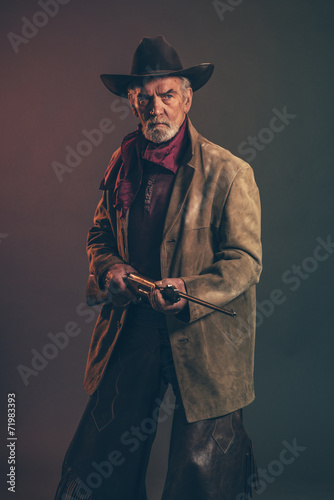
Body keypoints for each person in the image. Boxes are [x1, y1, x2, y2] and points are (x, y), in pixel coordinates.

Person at [55, 36, 262, 500]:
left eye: (167, 95)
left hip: (203, 337)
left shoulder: (230, 173)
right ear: (132, 102)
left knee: (204, 477)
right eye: (144, 97)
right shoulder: (121, 163)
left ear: (187, 98)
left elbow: (244, 263)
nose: (156, 107)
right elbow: (99, 237)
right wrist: (109, 270)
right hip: (133, 325)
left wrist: (188, 288)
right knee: (100, 463)